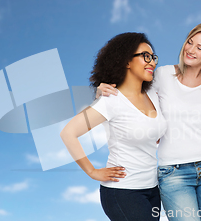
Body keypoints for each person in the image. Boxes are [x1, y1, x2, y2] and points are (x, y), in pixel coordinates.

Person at [98, 23, 201, 221]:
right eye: (190, 42)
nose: (191, 49)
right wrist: (101, 89)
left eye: (200, 47)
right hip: (173, 172)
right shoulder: (162, 75)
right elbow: (130, 92)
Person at [60, 32, 167, 221]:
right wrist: (92, 171)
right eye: (146, 56)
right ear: (126, 61)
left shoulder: (154, 96)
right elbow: (68, 133)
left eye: (153, 57)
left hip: (152, 190)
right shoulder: (111, 100)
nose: (152, 62)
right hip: (122, 191)